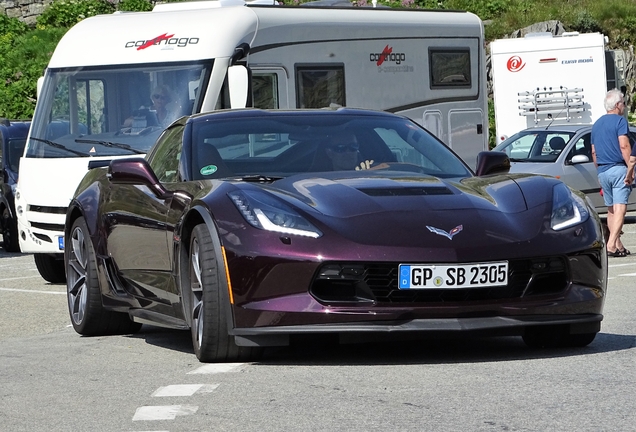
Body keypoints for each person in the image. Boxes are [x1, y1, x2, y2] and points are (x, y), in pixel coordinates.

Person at [591, 88, 631, 257]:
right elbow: (624, 145)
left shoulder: (597, 124)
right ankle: (611, 245)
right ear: (617, 105)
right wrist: (630, 167)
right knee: (621, 208)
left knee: (611, 210)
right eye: (623, 103)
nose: (625, 106)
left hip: (603, 170)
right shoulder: (620, 122)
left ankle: (618, 245)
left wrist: (598, 170)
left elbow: (593, 152)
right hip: (618, 169)